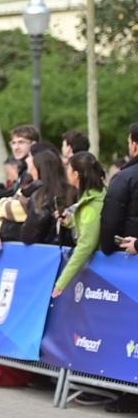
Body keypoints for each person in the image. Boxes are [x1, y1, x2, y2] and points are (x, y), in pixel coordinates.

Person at [52, 153, 106, 297]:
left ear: (76, 174)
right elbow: (88, 226)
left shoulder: (91, 206)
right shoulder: (94, 198)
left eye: (68, 169)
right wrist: (69, 221)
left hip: (101, 278)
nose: (66, 173)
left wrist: (61, 282)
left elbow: (86, 245)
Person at [100, 122, 138, 256]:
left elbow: (111, 222)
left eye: (129, 142)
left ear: (135, 146)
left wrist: (107, 247)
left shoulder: (124, 178)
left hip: (128, 259)